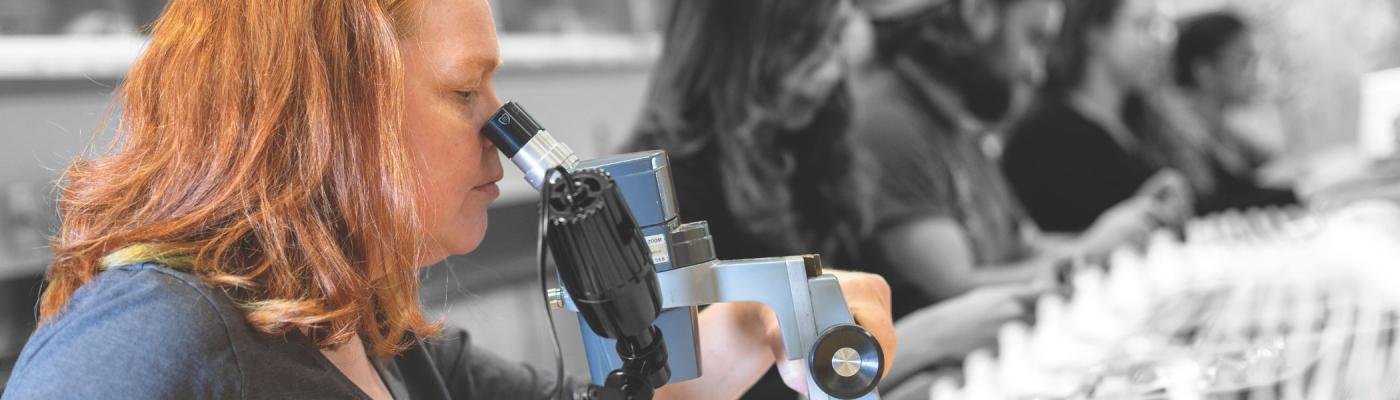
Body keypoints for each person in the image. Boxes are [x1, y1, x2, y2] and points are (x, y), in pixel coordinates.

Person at [1, 1, 895, 398]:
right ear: (330, 109)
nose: (500, 132)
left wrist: (761, 322)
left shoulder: (376, 339)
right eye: (466, 92)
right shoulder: (150, 341)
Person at [627, 0, 1035, 398]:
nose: (829, 70)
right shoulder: (656, 193)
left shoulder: (810, 147)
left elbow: (881, 292)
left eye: (835, 37)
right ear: (733, 49)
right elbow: (708, 386)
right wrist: (926, 340)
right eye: (801, 45)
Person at [1002, 0, 1194, 234]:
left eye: (1158, 27)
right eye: (1142, 25)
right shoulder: (1043, 136)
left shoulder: (1144, 119)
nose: (1157, 42)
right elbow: (1036, 240)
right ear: (1095, 34)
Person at [1161, 11, 1296, 213]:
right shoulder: (1177, 129)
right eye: (1244, 62)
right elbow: (1210, 201)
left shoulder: (1222, 126)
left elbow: (1279, 160)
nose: (1255, 74)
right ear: (1204, 70)